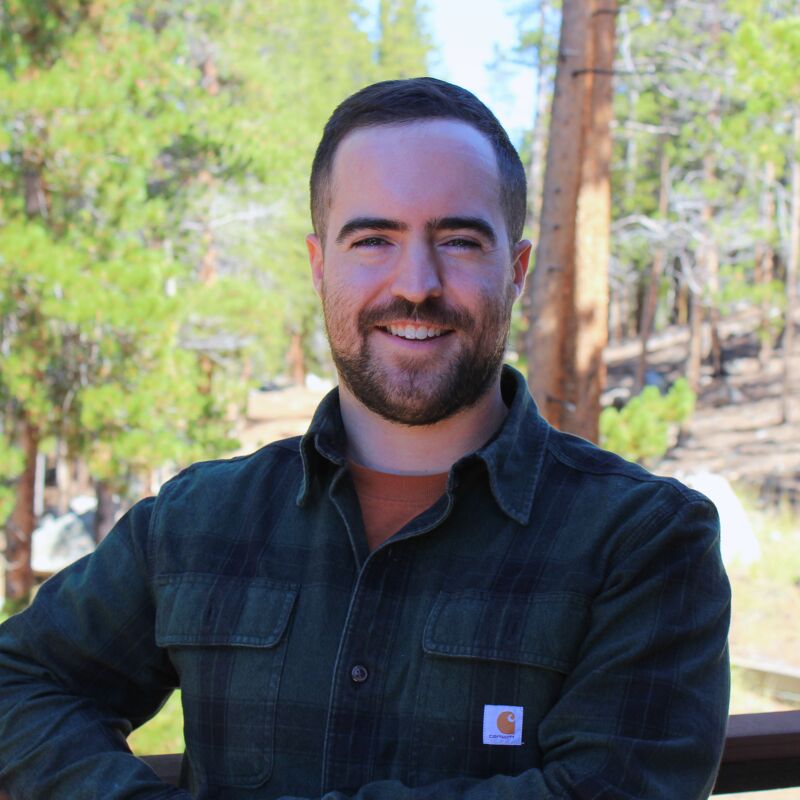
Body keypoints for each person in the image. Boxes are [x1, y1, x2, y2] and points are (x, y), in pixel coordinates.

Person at [0, 77, 730, 800]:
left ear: (516, 271)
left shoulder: (646, 542)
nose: (416, 283)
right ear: (321, 267)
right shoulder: (199, 520)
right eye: (374, 239)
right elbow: (21, 680)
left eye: (460, 240)